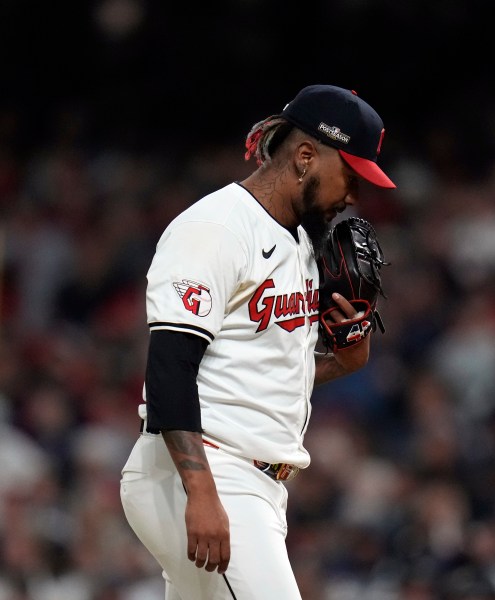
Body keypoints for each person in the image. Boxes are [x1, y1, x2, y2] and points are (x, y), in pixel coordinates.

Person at [120, 84, 396, 600]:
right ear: (306, 156)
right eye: (351, 175)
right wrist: (200, 491)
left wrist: (345, 360)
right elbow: (170, 368)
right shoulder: (217, 227)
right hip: (205, 474)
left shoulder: (300, 240)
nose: (355, 196)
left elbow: (265, 372)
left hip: (255, 485)